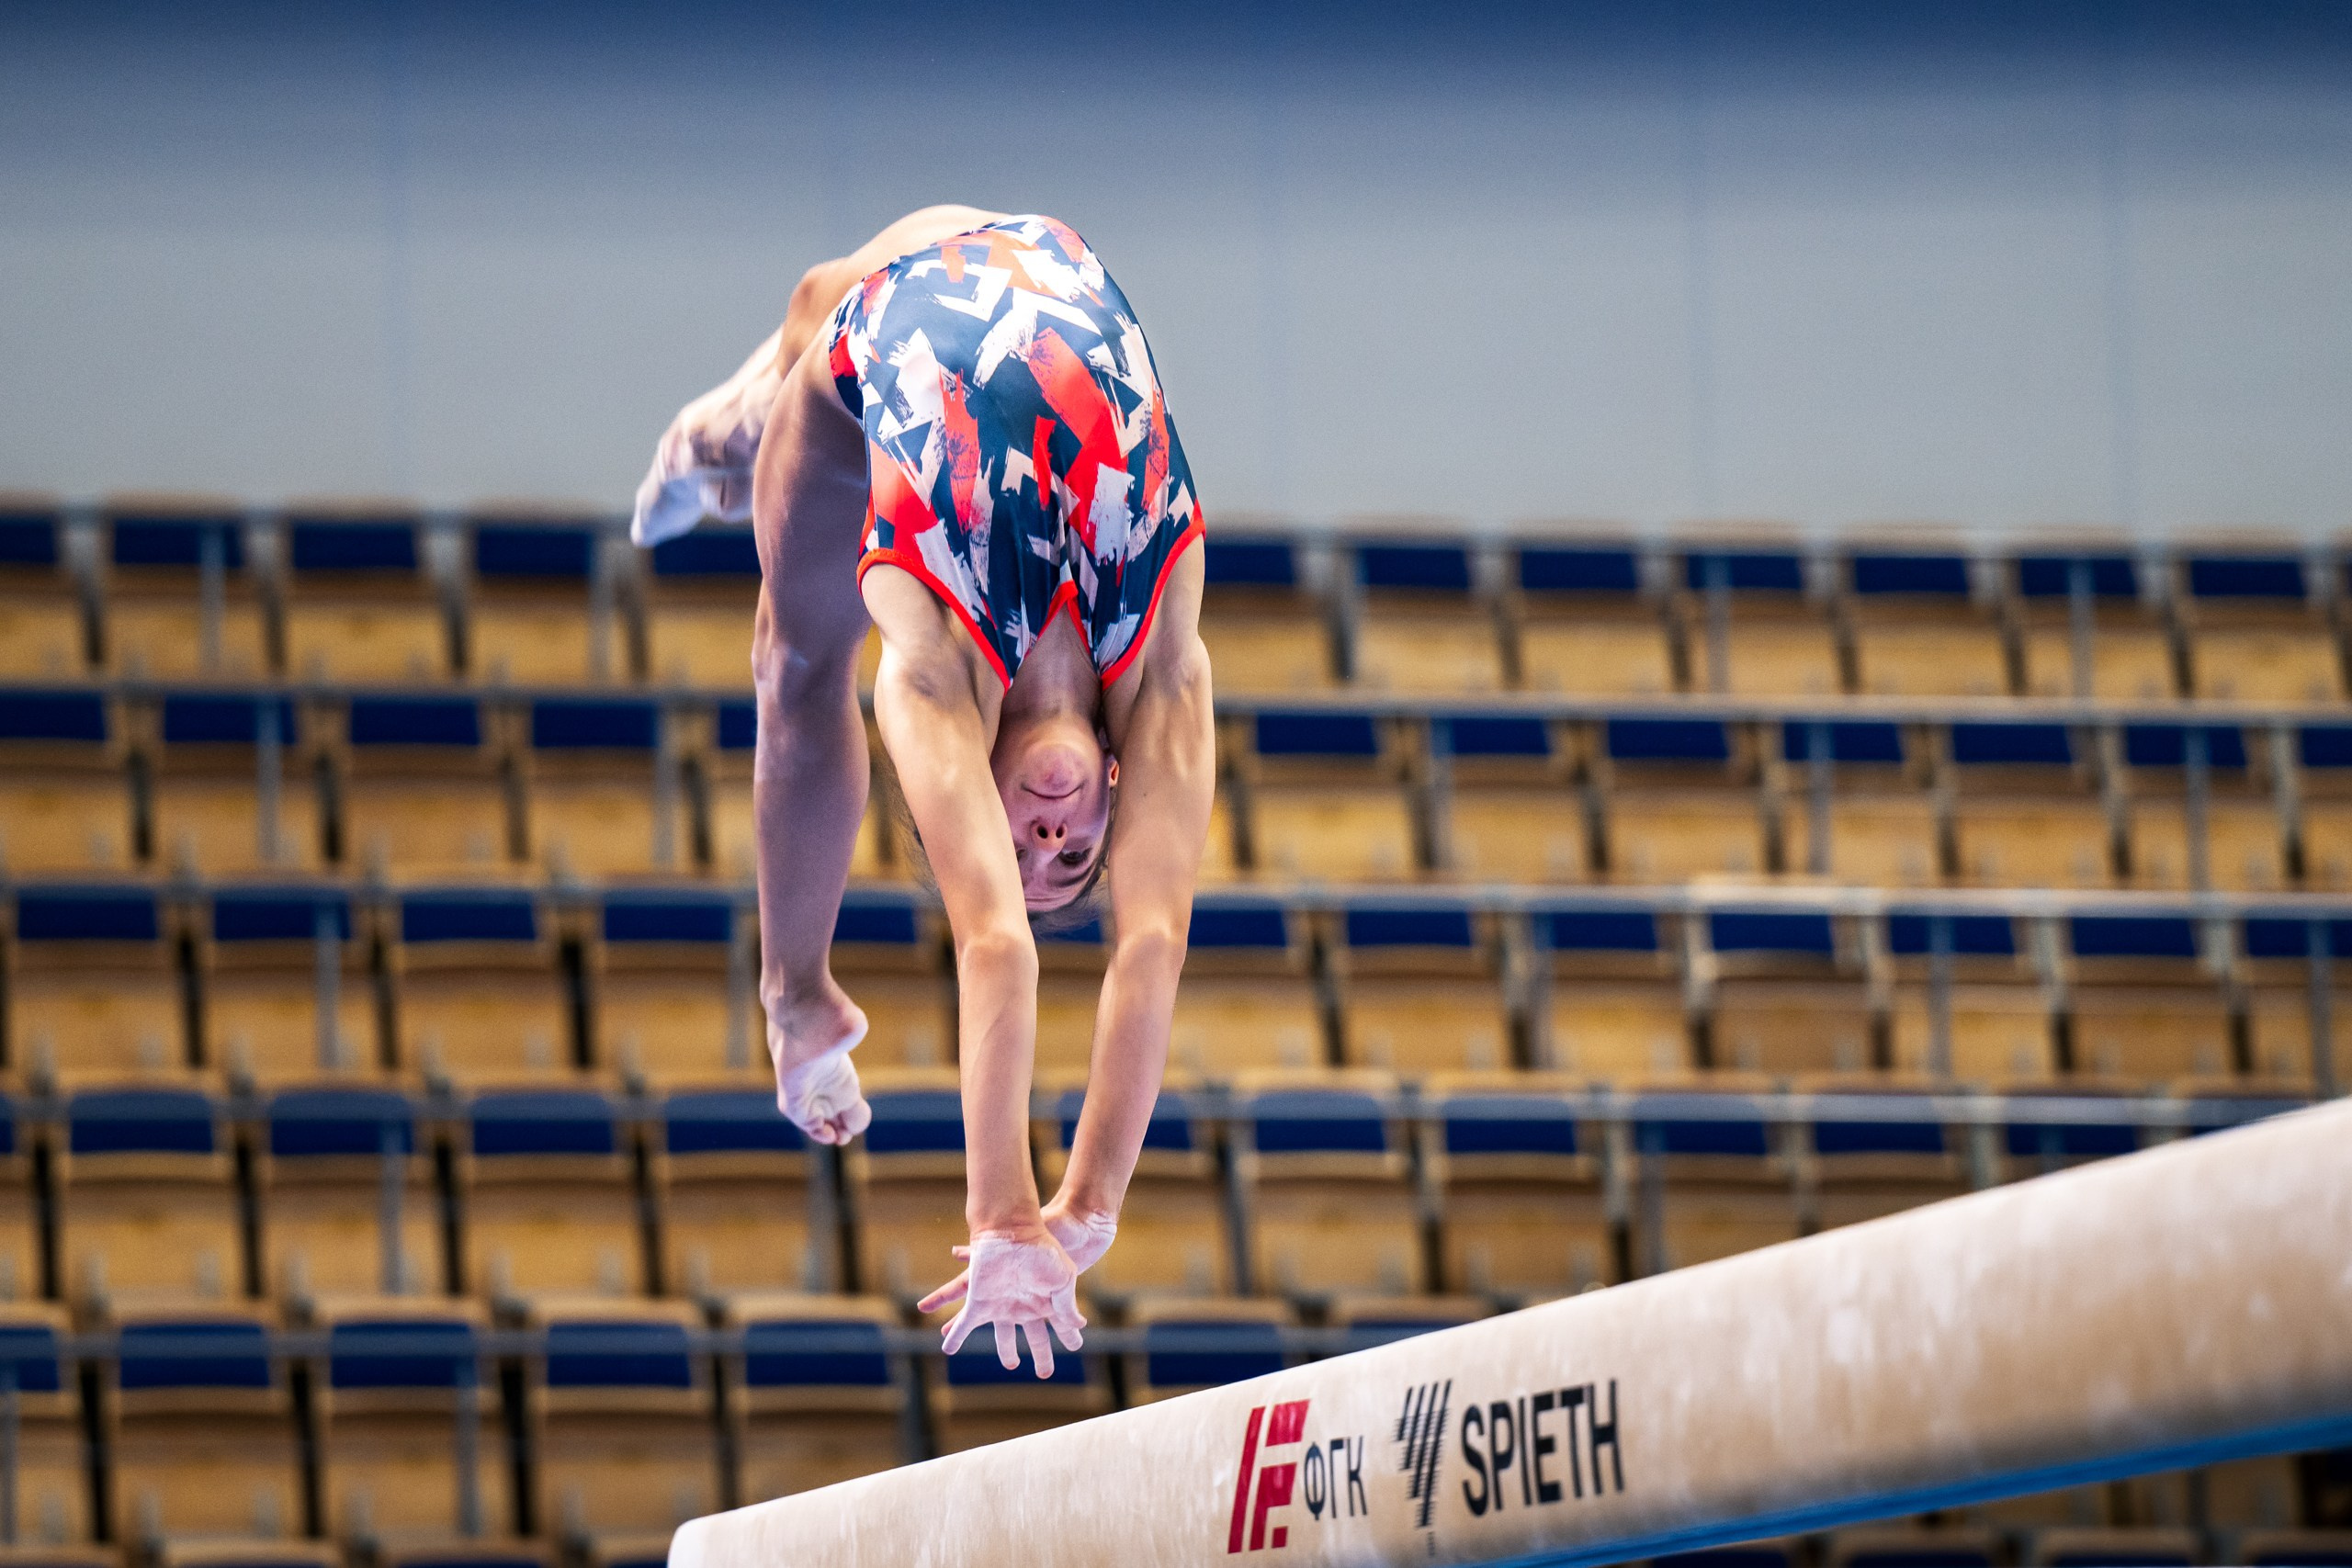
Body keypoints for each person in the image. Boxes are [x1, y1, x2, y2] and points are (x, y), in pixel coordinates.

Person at [631, 207, 1215, 1377]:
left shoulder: (938, 682)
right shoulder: (1160, 670)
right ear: (1116, 789)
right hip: (1029, 253)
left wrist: (1008, 1215)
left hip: (880, 345)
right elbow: (1150, 939)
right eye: (1073, 854)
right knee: (804, 301)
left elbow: (995, 942)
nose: (1046, 840)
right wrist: (1084, 1207)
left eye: (1026, 849)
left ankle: (795, 998)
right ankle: (720, 432)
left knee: (794, 670)